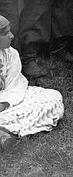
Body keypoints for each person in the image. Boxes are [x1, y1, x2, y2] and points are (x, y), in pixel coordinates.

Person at [0, 15, 64, 152]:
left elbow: (15, 84)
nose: (11, 36)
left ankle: (4, 131)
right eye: (5, 33)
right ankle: (4, 136)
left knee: (53, 98)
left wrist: (4, 103)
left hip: (6, 101)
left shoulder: (11, 54)